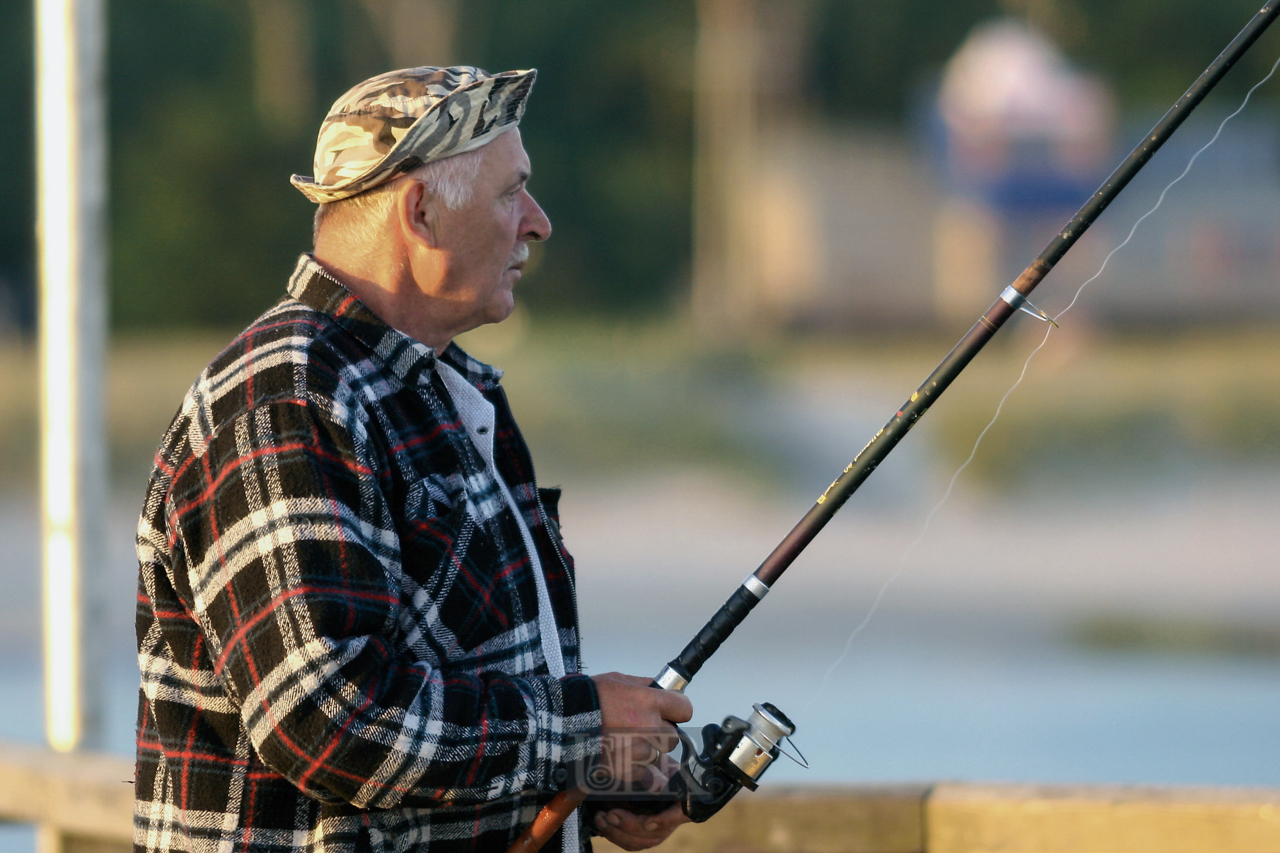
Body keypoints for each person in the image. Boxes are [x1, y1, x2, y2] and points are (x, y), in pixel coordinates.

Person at [134, 66, 692, 853]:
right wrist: (582, 726)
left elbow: (459, 690)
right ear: (421, 212)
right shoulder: (282, 396)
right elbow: (325, 719)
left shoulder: (443, 391)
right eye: (511, 193)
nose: (538, 222)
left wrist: (598, 780)